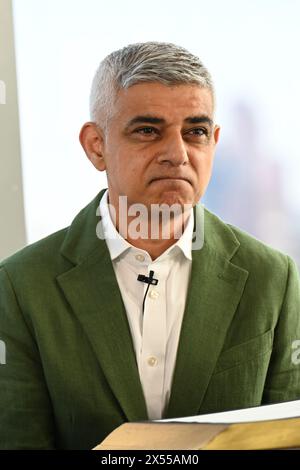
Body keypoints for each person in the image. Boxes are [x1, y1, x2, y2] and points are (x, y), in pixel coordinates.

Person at [0, 41, 300, 450]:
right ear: (96, 145)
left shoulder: (273, 277)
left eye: (195, 132)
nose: (177, 154)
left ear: (214, 141)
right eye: (147, 130)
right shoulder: (20, 286)